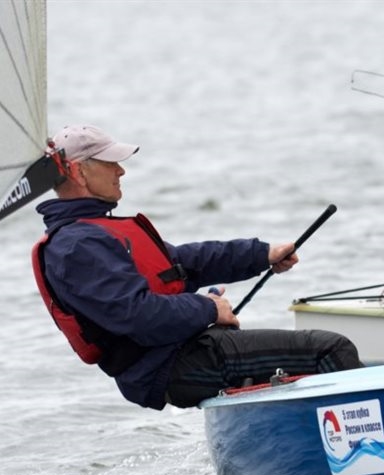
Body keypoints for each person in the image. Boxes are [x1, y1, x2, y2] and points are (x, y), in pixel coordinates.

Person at [32, 125, 362, 410]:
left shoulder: (93, 234)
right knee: (332, 349)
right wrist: (209, 308)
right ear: (78, 172)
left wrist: (262, 254)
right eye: (110, 163)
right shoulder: (77, 247)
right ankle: (367, 451)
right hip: (169, 366)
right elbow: (137, 315)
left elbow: (186, 262)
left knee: (315, 355)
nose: (121, 171)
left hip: (182, 352)